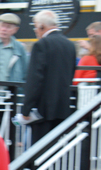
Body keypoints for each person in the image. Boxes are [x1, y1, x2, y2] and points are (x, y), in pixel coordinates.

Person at [23, 10, 76, 145]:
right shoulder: (70, 45)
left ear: (42, 26)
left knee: (39, 151)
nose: (35, 30)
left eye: (35, 27)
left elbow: (35, 79)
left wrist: (26, 108)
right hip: (63, 107)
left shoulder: (41, 45)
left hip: (43, 110)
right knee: (56, 151)